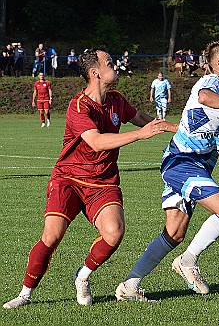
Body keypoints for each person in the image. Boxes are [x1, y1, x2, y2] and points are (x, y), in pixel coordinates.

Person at [3, 48, 177, 309]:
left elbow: (141, 118)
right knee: (51, 237)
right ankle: (25, 293)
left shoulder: (116, 99)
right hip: (69, 178)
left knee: (114, 233)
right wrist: (141, 135)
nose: (114, 64)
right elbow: (95, 142)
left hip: (103, 182)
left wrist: (180, 129)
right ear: (95, 72)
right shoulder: (79, 105)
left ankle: (82, 276)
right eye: (109, 62)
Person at [115, 37, 219, 302]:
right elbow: (204, 97)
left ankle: (130, 285)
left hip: (188, 163)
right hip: (182, 163)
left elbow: (197, 116)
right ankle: (188, 260)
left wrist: (176, 127)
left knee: (174, 233)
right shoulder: (212, 83)